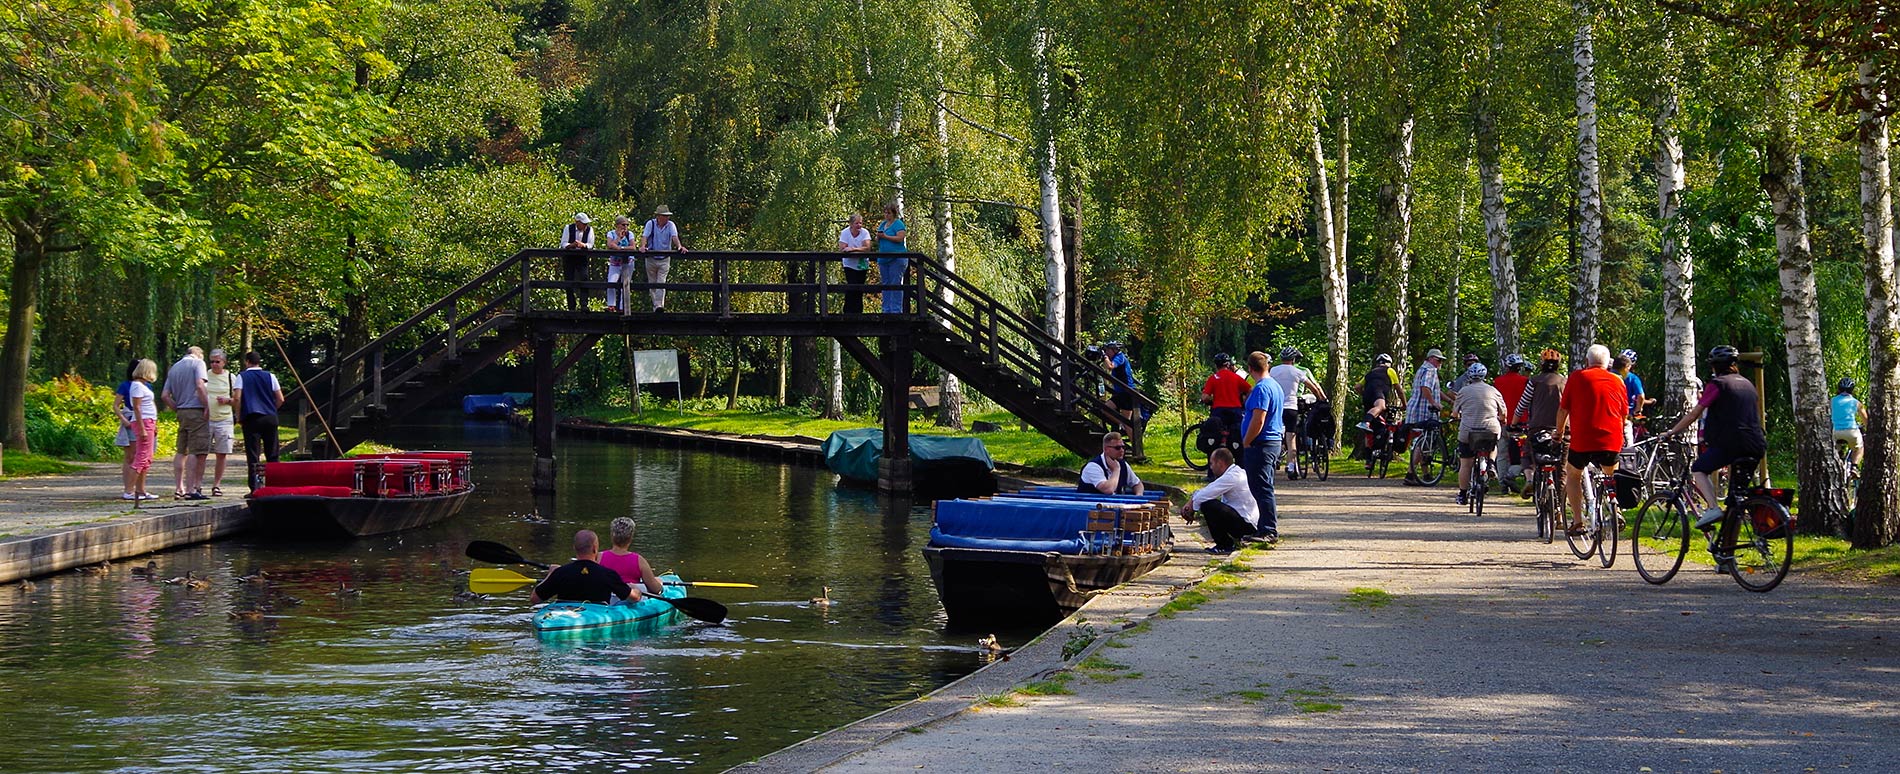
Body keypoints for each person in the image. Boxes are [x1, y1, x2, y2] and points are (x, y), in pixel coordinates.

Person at [1660, 346, 1768, 530]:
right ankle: (1727, 551)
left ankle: (1712, 507)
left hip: (1732, 443)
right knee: (1736, 499)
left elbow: (1694, 414)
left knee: (1699, 469)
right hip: (1756, 444)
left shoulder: (1718, 384)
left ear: (1714, 367)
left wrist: (1671, 432)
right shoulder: (1747, 384)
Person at [1552, 344, 1628, 535]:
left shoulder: (1577, 377)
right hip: (1611, 439)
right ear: (1607, 364)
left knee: (1573, 474)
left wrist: (1559, 433)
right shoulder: (1618, 381)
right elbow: (1623, 414)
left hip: (1583, 440)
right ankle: (1615, 508)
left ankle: (1578, 521)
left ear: (1587, 362)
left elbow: (1563, 409)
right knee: (1611, 474)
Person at [1239, 351, 1286, 543]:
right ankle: (1263, 527)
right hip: (1271, 441)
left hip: (1261, 443)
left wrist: (1247, 441)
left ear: (1250, 369)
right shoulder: (1275, 386)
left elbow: (1259, 419)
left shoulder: (1261, 389)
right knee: (1263, 485)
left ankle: (1268, 530)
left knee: (1261, 487)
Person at [1177, 448, 1260, 554]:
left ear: (1220, 463)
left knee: (1208, 505)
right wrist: (1191, 502)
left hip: (1247, 525)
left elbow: (1204, 495)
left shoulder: (1232, 477)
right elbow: (1207, 490)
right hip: (1245, 520)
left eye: (1211, 464)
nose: (1211, 468)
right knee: (1208, 501)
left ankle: (1224, 545)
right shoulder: (1235, 472)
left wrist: (1191, 507)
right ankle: (1227, 542)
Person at [1450, 363, 1509, 506]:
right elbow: (1504, 413)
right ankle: (1491, 464)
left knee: (1466, 464)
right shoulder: (1493, 391)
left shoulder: (1463, 391)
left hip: (1468, 432)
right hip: (1490, 429)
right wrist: (1502, 419)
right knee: (1493, 444)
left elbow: (1455, 413)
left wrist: (1456, 416)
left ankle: (1462, 495)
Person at [532, 530, 636, 605]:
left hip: (565, 618)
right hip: (597, 618)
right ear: (595, 548)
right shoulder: (608, 574)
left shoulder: (560, 573)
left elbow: (534, 599)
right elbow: (633, 598)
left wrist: (550, 574)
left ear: (575, 548)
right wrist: (636, 590)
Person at [162, 346, 211, 500]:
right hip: (196, 411)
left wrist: (177, 408)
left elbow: (165, 396)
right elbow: (199, 385)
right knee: (196, 450)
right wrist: (207, 406)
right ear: (199, 355)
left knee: (181, 450)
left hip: (182, 411)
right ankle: (192, 489)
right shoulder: (198, 364)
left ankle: (179, 488)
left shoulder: (174, 368)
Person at [1269, 347, 1326, 477]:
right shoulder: (1298, 372)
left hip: (1276, 408)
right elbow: (1314, 387)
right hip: (1291, 407)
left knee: (1276, 435)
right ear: (1294, 359)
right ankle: (1290, 467)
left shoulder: (1273, 371)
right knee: (1291, 438)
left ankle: (1274, 460)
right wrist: (1320, 399)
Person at [236, 351, 286, 492]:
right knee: (273, 453)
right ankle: (275, 486)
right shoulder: (270, 376)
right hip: (269, 417)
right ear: (259, 362)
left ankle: (255, 488)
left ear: (247, 362)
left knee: (253, 455)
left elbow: (237, 398)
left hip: (251, 418)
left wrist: (239, 416)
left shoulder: (242, 376)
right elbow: (280, 398)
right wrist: (271, 409)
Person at [1402, 348, 1447, 486]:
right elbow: (1426, 388)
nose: (1440, 363)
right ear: (1432, 358)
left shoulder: (1422, 369)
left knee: (1422, 442)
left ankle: (1425, 474)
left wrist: (1449, 401)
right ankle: (1410, 473)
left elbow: (1435, 391)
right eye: (1439, 360)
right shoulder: (1431, 370)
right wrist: (1434, 403)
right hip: (1424, 411)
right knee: (1423, 443)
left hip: (1414, 410)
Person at [598, 517, 664, 599]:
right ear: (630, 538)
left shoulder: (598, 557)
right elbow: (655, 589)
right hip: (630, 602)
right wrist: (659, 584)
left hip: (606, 602)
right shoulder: (639, 561)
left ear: (612, 536)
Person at [640, 205, 688, 312]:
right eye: (664, 216)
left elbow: (674, 237)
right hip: (651, 258)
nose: (667, 218)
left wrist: (679, 246)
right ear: (658, 216)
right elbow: (645, 236)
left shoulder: (671, 225)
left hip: (665, 258)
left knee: (661, 282)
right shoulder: (650, 224)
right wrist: (643, 246)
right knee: (652, 284)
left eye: (667, 216)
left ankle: (659, 306)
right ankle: (656, 306)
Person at [126, 359, 160, 502]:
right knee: (141, 457)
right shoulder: (137, 386)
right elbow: (137, 407)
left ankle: (141, 490)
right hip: (143, 422)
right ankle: (129, 490)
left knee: (147, 457)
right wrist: (142, 429)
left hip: (149, 422)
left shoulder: (143, 386)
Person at [204, 350, 236, 497]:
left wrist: (228, 400)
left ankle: (216, 485)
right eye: (212, 361)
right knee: (201, 453)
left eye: (217, 361)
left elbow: (238, 399)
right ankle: (196, 485)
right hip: (206, 419)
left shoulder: (231, 377)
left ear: (224, 362)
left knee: (221, 453)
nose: (214, 364)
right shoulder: (205, 376)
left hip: (225, 419)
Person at [1494, 353, 1531, 479]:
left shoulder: (1497, 382)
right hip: (1522, 422)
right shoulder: (1526, 382)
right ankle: (1520, 476)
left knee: (1502, 452)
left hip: (1502, 421)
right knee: (1524, 453)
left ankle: (1503, 480)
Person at [1079, 432, 1143, 495]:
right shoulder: (1093, 467)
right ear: (1106, 449)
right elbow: (1108, 490)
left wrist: (1139, 495)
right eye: (1117, 448)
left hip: (1115, 504)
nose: (1122, 450)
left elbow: (1137, 484)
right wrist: (1116, 470)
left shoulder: (1123, 464)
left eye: (1123, 447)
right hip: (1091, 504)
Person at [1200, 352, 1249, 435]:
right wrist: (1244, 401)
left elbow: (1205, 397)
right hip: (1235, 411)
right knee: (1236, 434)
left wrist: (1211, 401)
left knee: (1216, 434)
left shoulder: (1213, 378)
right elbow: (1250, 390)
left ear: (1216, 365)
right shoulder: (1236, 377)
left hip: (1218, 411)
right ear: (1228, 364)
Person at [874, 202, 909, 313]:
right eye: (885, 213)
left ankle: (896, 310)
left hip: (897, 258)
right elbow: (878, 238)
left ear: (893, 213)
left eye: (889, 213)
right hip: (884, 258)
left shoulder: (898, 224)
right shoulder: (882, 224)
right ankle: (886, 309)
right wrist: (879, 237)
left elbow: (900, 238)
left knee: (895, 283)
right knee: (886, 283)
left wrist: (885, 236)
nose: (886, 215)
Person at [1615, 350, 1654, 444]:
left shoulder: (1610, 375)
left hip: (1613, 411)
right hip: (1627, 413)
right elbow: (1640, 397)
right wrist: (1637, 411)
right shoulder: (1633, 378)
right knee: (1628, 439)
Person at [1355, 353, 1401, 433]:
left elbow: (1357, 387)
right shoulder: (1390, 370)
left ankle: (1368, 445)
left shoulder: (1370, 373)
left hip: (1367, 396)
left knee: (1372, 426)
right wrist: (1404, 404)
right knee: (1381, 406)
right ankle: (1365, 422)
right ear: (1389, 363)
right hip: (1378, 392)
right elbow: (1398, 389)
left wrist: (1364, 394)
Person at [837, 213, 874, 314]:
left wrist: (853, 249)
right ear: (851, 224)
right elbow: (842, 248)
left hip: (862, 264)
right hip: (849, 264)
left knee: (859, 287)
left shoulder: (865, 233)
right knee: (851, 286)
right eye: (856, 223)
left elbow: (867, 248)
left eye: (860, 223)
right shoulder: (845, 232)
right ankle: (848, 311)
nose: (859, 225)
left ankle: (858, 312)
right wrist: (858, 250)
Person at [114, 359, 139, 500]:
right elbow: (116, 405)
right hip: (130, 420)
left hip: (144, 421)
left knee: (140, 456)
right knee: (130, 455)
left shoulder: (147, 386)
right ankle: (128, 487)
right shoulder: (125, 385)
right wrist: (123, 420)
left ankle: (138, 487)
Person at [602, 215, 638, 312]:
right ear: (617, 225)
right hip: (615, 262)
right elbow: (609, 245)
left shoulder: (630, 234)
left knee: (625, 284)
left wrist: (619, 248)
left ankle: (623, 307)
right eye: (623, 224)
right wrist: (618, 238)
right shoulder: (611, 234)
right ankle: (611, 305)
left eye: (627, 225)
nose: (625, 227)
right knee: (611, 283)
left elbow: (633, 247)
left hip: (628, 262)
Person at [559, 212, 594, 310]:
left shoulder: (590, 230)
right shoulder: (568, 228)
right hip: (569, 257)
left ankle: (584, 304)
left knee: (584, 278)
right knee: (569, 280)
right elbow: (563, 243)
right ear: (577, 222)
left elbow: (590, 244)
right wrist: (572, 245)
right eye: (583, 223)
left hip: (582, 257)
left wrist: (583, 245)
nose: (585, 225)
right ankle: (571, 305)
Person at [1832, 377, 1867, 468]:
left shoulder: (1832, 401)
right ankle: (1854, 467)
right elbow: (1865, 419)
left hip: (1835, 431)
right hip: (1851, 431)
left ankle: (1839, 459)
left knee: (1835, 448)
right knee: (1859, 448)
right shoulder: (1856, 403)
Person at [1102, 341, 1139, 425]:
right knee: (1127, 422)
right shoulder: (1116, 357)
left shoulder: (1119, 357)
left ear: (1114, 350)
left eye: (1108, 350)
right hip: (1122, 392)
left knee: (1106, 408)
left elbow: (1110, 366)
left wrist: (1105, 357)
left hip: (1126, 392)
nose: (1106, 352)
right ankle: (1124, 426)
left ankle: (1122, 425)